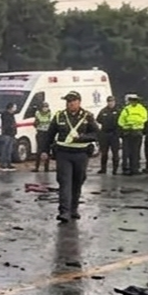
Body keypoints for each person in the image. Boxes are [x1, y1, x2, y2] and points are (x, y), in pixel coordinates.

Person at [48, 91, 100, 223]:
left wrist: (82, 138)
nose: (69, 104)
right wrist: (44, 150)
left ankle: (73, 208)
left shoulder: (87, 116)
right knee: (65, 182)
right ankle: (64, 211)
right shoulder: (59, 116)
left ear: (79, 102)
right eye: (68, 101)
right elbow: (49, 134)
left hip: (81, 154)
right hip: (63, 154)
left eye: (72, 101)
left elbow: (96, 134)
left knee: (78, 181)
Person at [117, 94, 148, 175]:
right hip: (128, 132)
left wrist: (132, 123)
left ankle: (135, 169)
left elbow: (144, 118)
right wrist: (127, 125)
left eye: (134, 100)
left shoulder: (141, 109)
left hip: (137, 132)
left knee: (136, 152)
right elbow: (120, 121)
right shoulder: (126, 109)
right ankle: (126, 168)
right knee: (126, 152)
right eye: (132, 100)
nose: (133, 102)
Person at [96, 95, 121, 175]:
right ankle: (103, 169)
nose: (111, 103)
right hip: (105, 134)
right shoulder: (103, 111)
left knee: (115, 153)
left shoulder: (118, 111)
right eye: (109, 102)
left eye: (112, 101)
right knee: (104, 153)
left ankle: (115, 170)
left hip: (114, 134)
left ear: (114, 102)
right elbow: (98, 120)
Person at [33, 100, 53, 172]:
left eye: (46, 107)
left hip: (47, 133)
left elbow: (52, 124)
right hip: (40, 133)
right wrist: (36, 123)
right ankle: (37, 167)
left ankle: (46, 167)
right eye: (44, 107)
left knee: (47, 150)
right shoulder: (38, 113)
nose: (45, 108)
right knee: (39, 150)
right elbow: (35, 123)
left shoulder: (50, 114)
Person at [0, 101, 18, 171]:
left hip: (11, 134)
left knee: (9, 150)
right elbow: (7, 125)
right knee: (5, 149)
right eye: (14, 107)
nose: (15, 109)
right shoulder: (5, 115)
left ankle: (8, 163)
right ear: (10, 108)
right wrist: (11, 127)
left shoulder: (11, 115)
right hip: (7, 134)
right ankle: (3, 164)